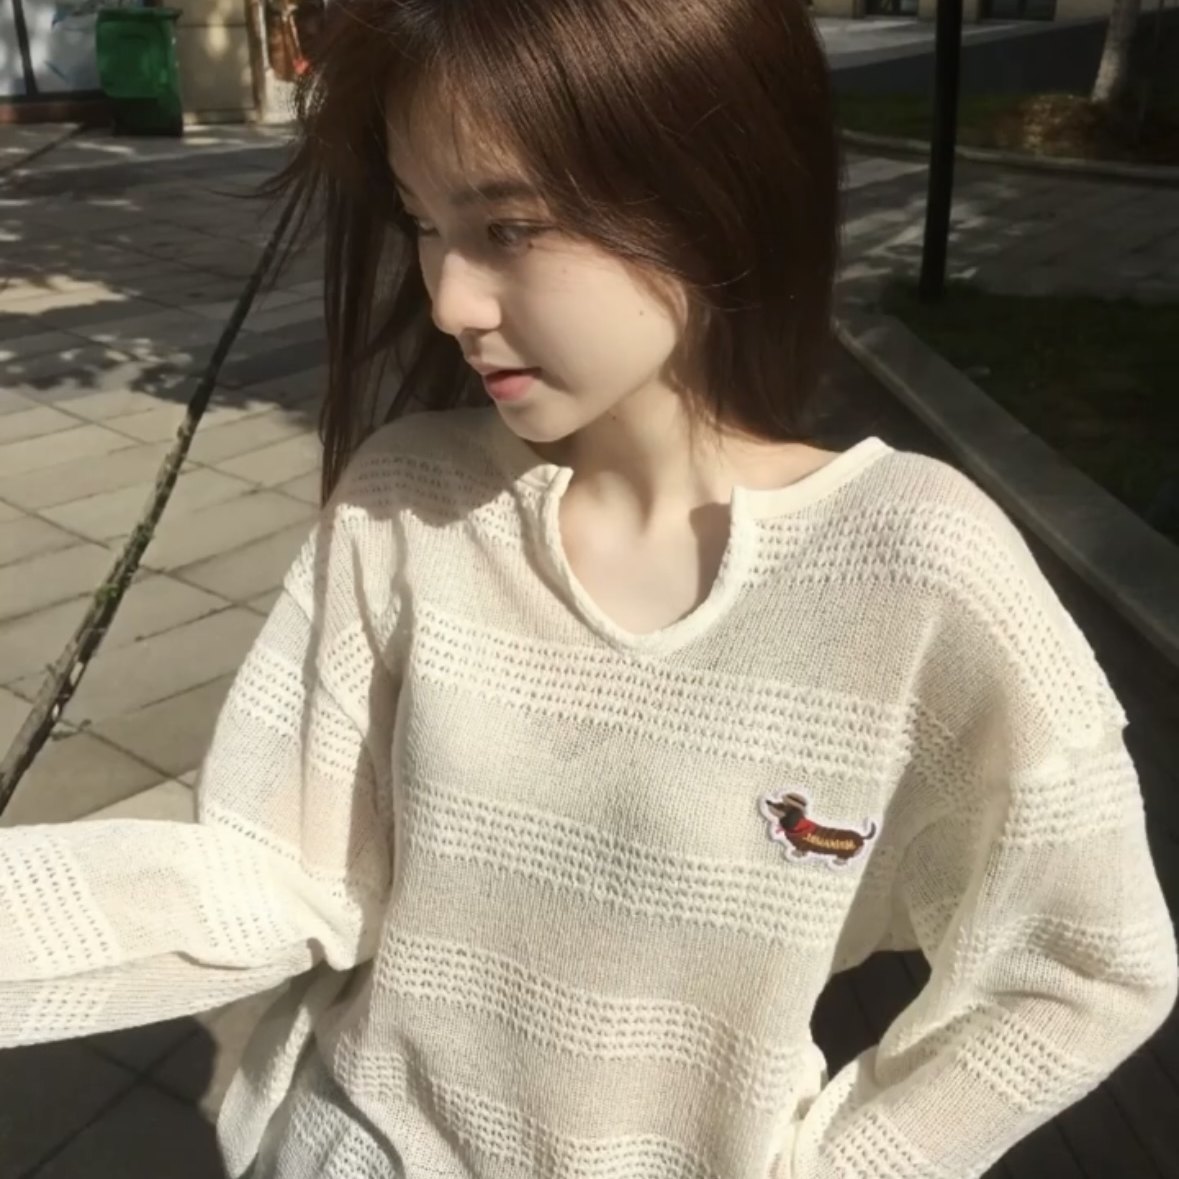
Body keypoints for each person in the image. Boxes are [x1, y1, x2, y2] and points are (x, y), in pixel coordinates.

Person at [1, 0, 1176, 1176]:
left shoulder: (913, 567)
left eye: (509, 227)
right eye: (424, 222)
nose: (450, 300)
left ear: (711, 188)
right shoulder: (405, 505)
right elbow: (278, 868)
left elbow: (1081, 961)